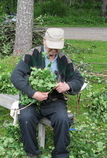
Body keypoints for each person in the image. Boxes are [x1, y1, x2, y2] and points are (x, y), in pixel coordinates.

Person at [11, 28, 84, 158]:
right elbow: (16, 76)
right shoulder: (32, 54)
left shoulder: (64, 59)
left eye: (57, 48)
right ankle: (32, 152)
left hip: (55, 100)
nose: (54, 51)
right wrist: (33, 93)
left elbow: (78, 79)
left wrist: (67, 85)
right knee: (26, 118)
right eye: (51, 47)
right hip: (31, 100)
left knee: (62, 119)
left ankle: (60, 154)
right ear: (44, 40)